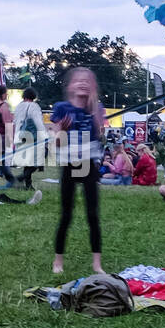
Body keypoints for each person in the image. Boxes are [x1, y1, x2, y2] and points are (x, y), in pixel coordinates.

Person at [51, 67, 105, 274]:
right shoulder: (61, 107)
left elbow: (100, 134)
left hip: (89, 163)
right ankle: (58, 261)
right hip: (69, 164)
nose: (82, 83)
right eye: (78, 80)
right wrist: (62, 131)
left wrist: (93, 110)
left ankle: (97, 263)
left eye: (87, 81)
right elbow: (55, 143)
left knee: (93, 214)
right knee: (66, 214)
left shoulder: (96, 107)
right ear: (70, 86)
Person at [12, 88, 45, 188]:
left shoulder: (18, 107)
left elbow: (15, 122)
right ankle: (21, 178)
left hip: (20, 136)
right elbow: (38, 122)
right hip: (32, 136)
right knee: (37, 161)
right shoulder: (34, 106)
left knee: (28, 162)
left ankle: (28, 185)